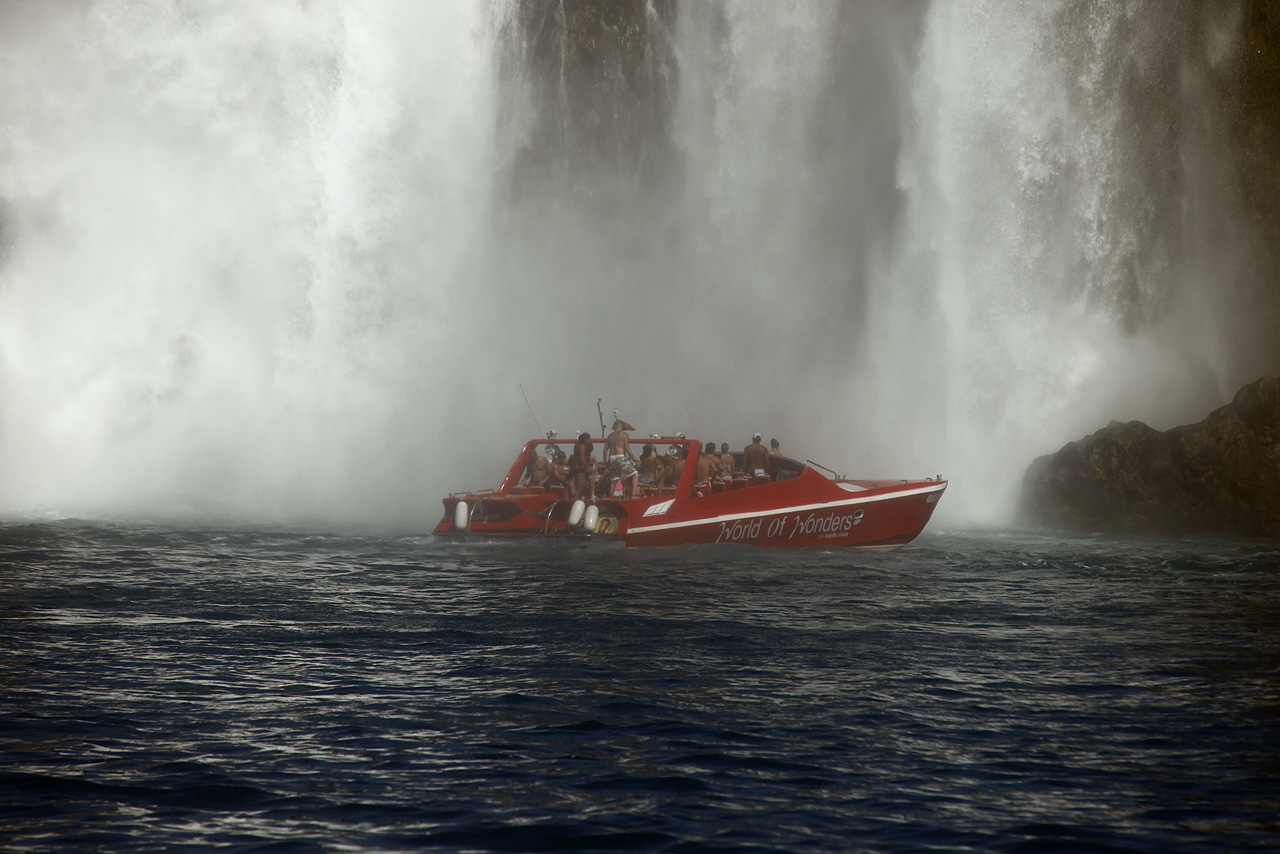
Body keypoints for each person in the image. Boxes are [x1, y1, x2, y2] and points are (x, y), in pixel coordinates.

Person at [603, 418, 640, 498]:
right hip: (620, 457)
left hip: (612, 458)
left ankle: (610, 497)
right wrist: (634, 460)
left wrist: (605, 462)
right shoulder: (624, 435)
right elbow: (627, 449)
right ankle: (634, 495)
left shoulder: (609, 436)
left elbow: (605, 450)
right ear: (622, 427)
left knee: (614, 480)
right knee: (635, 474)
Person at [567, 432, 596, 501]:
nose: (590, 441)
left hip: (577, 469)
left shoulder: (577, 445)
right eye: (589, 440)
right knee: (580, 488)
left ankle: (576, 501)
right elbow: (582, 459)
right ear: (586, 439)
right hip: (579, 469)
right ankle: (573, 502)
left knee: (581, 487)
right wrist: (589, 467)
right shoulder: (582, 446)